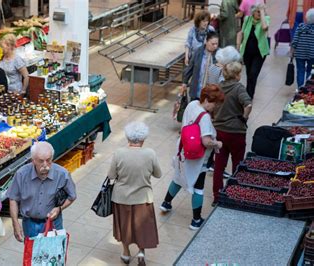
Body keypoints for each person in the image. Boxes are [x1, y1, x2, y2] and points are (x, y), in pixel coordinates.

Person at [160, 85, 225, 230]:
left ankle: (166, 203)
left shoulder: (192, 104)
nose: (216, 107)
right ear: (207, 100)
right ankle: (196, 220)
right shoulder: (205, 117)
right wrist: (218, 144)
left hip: (183, 149)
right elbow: (206, 141)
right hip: (198, 158)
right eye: (215, 103)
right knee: (198, 187)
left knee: (178, 176)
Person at [107, 122, 162, 266]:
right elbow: (158, 174)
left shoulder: (119, 153)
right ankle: (141, 252)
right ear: (143, 139)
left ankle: (126, 253)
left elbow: (111, 176)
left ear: (127, 138)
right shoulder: (150, 153)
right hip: (143, 198)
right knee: (142, 226)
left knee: (125, 226)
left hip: (121, 198)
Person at [7, 141, 77, 240]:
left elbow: (72, 196)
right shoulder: (21, 174)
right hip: (29, 224)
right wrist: (15, 223)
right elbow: (13, 198)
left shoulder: (62, 174)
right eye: (41, 161)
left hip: (53, 223)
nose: (45, 165)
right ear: (33, 160)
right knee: (31, 253)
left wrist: (59, 208)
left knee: (53, 254)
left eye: (48, 160)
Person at [212, 62, 252, 204]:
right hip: (236, 133)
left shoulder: (218, 88)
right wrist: (244, 117)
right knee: (237, 164)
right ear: (236, 75)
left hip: (219, 131)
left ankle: (217, 197)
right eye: (240, 73)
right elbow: (248, 104)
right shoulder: (238, 88)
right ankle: (234, 195)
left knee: (219, 165)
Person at [237, 4, 270, 99]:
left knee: (253, 73)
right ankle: (248, 94)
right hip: (247, 51)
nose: (260, 13)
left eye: (262, 11)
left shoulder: (266, 19)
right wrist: (238, 47)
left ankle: (249, 95)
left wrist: (263, 12)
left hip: (260, 53)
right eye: (258, 11)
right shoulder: (247, 19)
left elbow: (264, 28)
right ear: (253, 12)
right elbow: (241, 33)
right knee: (248, 74)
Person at [183, 32, 220, 100]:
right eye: (213, 44)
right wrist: (184, 82)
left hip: (211, 94)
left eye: (216, 44)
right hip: (197, 91)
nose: (215, 46)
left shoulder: (220, 55)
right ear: (206, 41)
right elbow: (190, 68)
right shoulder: (198, 52)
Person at [291, 8, 314, 89]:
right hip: (312, 54)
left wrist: (292, 51)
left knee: (300, 70)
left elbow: (295, 41)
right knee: (310, 71)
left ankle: (300, 88)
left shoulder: (301, 26)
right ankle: (308, 88)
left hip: (300, 53)